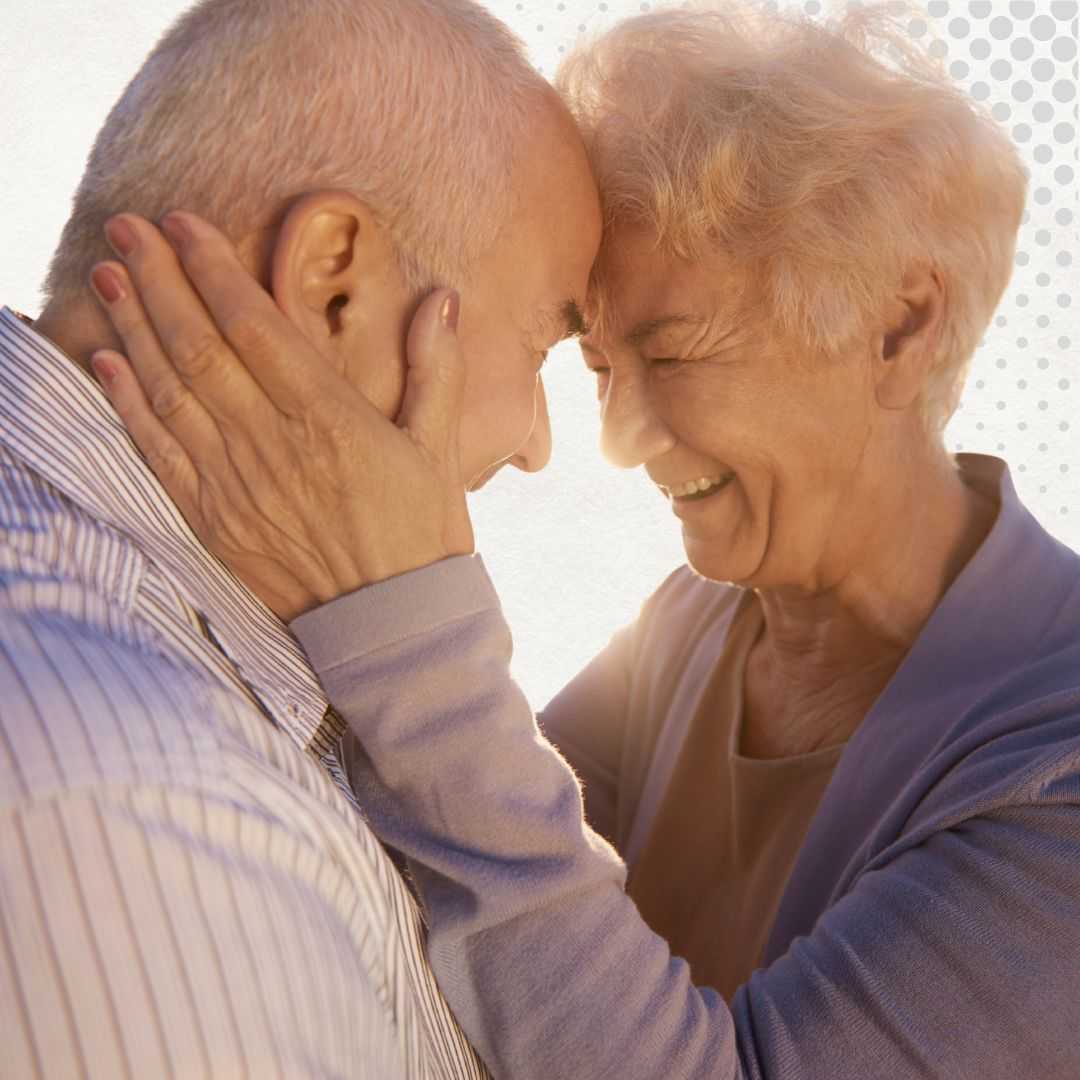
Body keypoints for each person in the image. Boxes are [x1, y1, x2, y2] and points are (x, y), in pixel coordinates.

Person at [79, 2, 1080, 1079]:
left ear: (899, 326)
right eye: (600, 366)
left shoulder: (1052, 765)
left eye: (676, 353)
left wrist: (407, 613)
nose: (616, 439)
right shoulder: (693, 625)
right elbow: (432, 872)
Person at [0, 0, 601, 1075]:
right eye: (546, 340)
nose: (537, 446)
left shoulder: (224, 677)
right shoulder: (144, 818)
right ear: (334, 284)